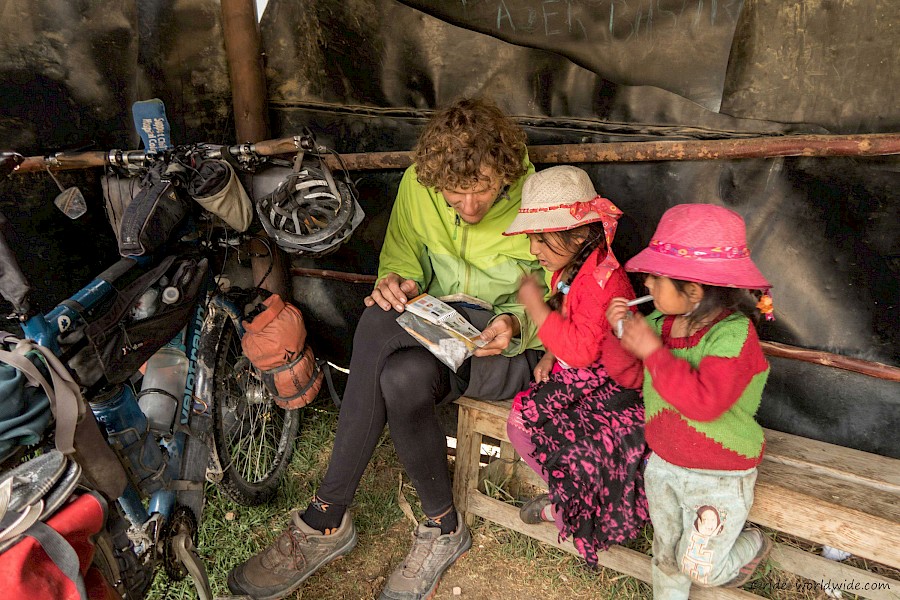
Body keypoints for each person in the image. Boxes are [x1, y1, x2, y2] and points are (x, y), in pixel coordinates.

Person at [228, 97, 546, 600]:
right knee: (400, 376)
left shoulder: (537, 195)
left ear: (504, 173)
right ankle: (444, 527)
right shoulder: (419, 187)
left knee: (379, 327)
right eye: (454, 197)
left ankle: (326, 515)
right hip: (440, 333)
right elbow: (401, 260)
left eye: (482, 190)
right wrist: (398, 283)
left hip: (504, 351)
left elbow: (561, 292)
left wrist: (516, 322)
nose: (469, 208)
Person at [603, 203, 775, 598]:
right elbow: (629, 376)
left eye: (656, 277)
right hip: (665, 464)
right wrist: (619, 334)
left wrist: (652, 351)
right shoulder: (659, 325)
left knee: (700, 568)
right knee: (666, 555)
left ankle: (751, 544)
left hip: (719, 475)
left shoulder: (734, 335)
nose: (646, 284)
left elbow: (705, 403)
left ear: (694, 290)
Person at [501, 165, 650, 567]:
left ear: (581, 233)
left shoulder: (600, 282)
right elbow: (577, 327)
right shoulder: (576, 268)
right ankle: (575, 495)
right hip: (583, 374)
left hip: (611, 384)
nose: (534, 249)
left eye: (541, 238)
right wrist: (551, 353)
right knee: (534, 420)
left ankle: (576, 502)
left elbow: (584, 352)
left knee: (522, 423)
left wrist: (535, 308)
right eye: (532, 238)